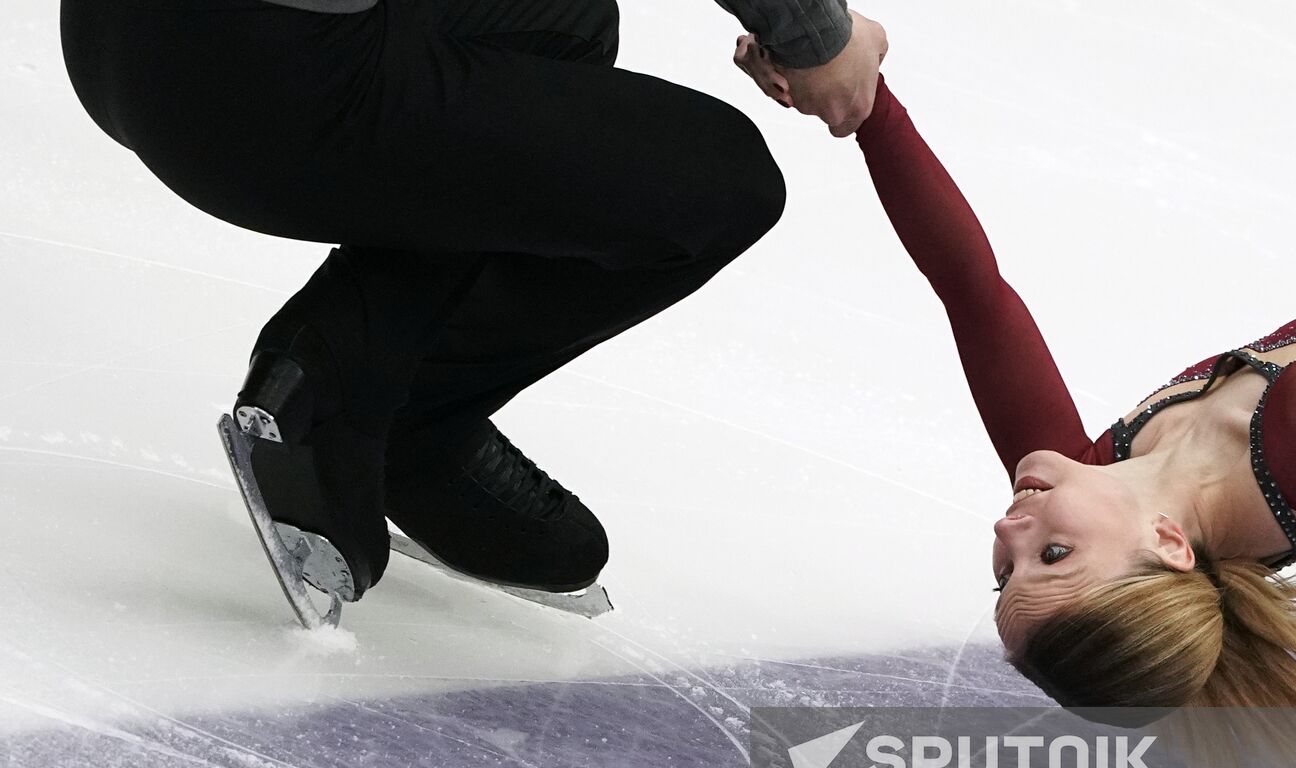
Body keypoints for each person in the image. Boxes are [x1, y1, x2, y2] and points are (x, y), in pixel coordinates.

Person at [57, 0, 887, 604]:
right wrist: (818, 38)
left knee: (564, 23)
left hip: (117, 39)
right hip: (262, 82)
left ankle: (404, 410)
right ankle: (352, 382)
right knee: (719, 187)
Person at [736, 46, 1296, 728]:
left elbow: (972, 290)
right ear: (1169, 544)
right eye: (1052, 556)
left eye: (1006, 571)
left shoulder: (1083, 473)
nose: (1006, 529)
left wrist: (863, 104)